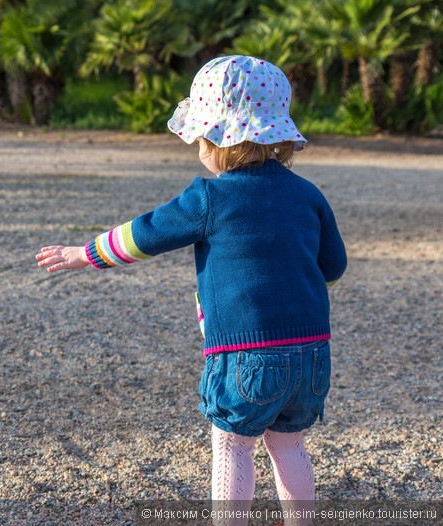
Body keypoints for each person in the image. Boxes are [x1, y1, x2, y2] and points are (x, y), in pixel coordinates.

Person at [35, 55, 347, 526]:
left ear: (217, 139)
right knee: (289, 445)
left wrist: (86, 253)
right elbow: (334, 267)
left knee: (232, 445)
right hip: (311, 353)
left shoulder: (209, 197)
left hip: (245, 353)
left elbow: (147, 233)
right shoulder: (308, 194)